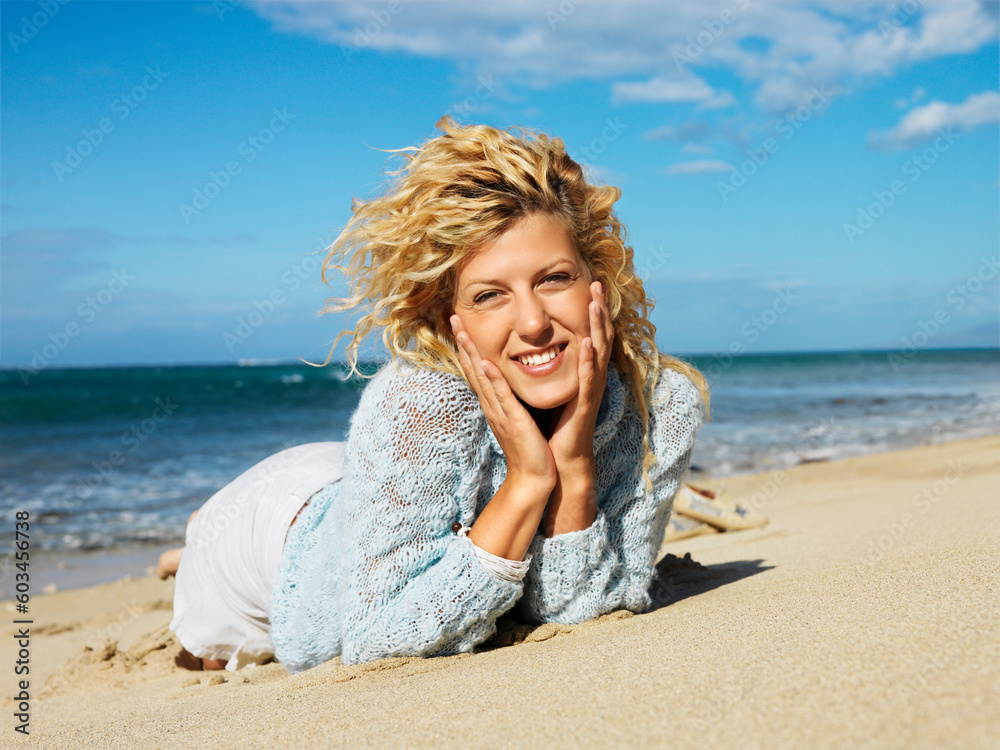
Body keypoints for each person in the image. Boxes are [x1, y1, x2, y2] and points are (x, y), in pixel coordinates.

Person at [160, 117, 708, 673]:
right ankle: (195, 543)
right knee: (197, 651)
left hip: (359, 487)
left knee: (354, 500)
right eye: (490, 294)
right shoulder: (418, 404)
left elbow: (582, 608)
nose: (534, 323)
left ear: (598, 280)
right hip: (276, 540)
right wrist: (527, 481)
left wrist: (574, 464)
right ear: (452, 322)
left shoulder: (661, 410)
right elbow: (374, 641)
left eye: (554, 279)